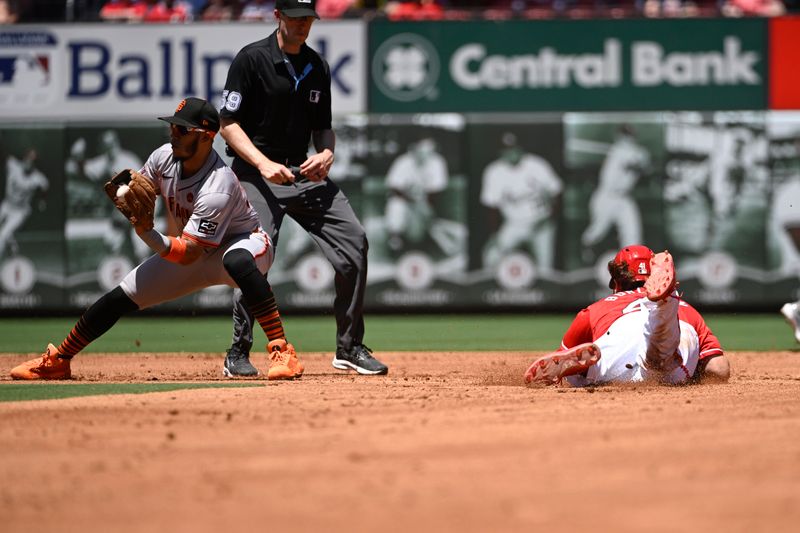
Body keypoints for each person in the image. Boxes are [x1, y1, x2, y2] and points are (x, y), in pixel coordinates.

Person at [10, 97, 302, 381]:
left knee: (236, 260)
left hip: (244, 242)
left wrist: (147, 233)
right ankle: (59, 360)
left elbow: (188, 254)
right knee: (120, 297)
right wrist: (124, 192)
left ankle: (282, 350)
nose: (174, 134)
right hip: (197, 247)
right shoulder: (163, 157)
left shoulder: (218, 185)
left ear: (207, 137)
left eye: (183, 130)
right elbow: (136, 189)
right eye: (172, 127)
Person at [219, 0, 388, 376]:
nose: (302, 25)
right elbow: (227, 122)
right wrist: (263, 164)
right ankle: (238, 351)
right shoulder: (251, 59)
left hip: (302, 173)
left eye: (307, 18)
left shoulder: (317, 65)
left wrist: (327, 152)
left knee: (354, 241)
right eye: (295, 18)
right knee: (256, 254)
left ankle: (349, 348)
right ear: (278, 16)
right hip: (255, 172)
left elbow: (322, 126)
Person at [524, 245, 731, 386]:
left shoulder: (596, 309)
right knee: (665, 354)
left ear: (617, 282)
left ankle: (583, 372)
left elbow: (558, 355)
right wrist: (694, 376)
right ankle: (663, 308)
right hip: (678, 332)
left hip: (617, 341)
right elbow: (719, 370)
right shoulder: (689, 309)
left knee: (589, 371)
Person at [480, 131, 563, 272]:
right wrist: (494, 235)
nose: (511, 154)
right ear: (500, 153)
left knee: (546, 268)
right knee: (491, 256)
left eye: (514, 149)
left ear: (521, 149)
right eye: (506, 151)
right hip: (514, 224)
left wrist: (550, 218)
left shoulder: (537, 165)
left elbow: (557, 192)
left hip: (541, 223)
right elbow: (491, 206)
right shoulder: (494, 172)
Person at [581, 125, 650, 253]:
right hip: (606, 197)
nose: (627, 138)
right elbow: (632, 164)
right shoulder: (617, 152)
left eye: (629, 135)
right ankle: (586, 248)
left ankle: (631, 264)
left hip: (624, 198)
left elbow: (643, 166)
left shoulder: (637, 152)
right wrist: (638, 161)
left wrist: (641, 160)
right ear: (619, 137)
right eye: (624, 135)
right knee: (597, 231)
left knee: (633, 233)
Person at [384, 137, 449, 254]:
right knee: (395, 206)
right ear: (413, 149)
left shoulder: (437, 162)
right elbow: (394, 189)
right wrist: (412, 201)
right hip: (403, 200)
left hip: (424, 202)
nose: (425, 154)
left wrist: (426, 209)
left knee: (418, 236)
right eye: (422, 150)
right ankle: (395, 237)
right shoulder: (403, 162)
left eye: (430, 151)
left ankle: (429, 233)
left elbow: (436, 192)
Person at [0, 148, 49, 260]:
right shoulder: (12, 164)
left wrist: (43, 200)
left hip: (20, 211)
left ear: (35, 164)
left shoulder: (38, 177)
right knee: (4, 233)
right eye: (28, 159)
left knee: (2, 235)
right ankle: (13, 246)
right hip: (7, 205)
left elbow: (45, 187)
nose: (29, 162)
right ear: (23, 158)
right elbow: (3, 154)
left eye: (32, 161)